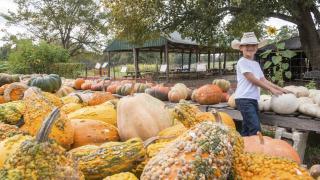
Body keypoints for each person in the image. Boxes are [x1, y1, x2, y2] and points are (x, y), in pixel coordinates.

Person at [231, 32, 290, 136]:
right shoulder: (242, 62)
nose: (250, 48)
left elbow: (263, 80)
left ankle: (244, 146)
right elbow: (252, 79)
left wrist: (279, 88)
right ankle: (255, 150)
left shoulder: (256, 64)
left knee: (247, 125)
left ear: (257, 47)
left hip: (252, 99)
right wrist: (270, 89)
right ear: (241, 48)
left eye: (253, 45)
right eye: (247, 45)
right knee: (255, 127)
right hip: (243, 99)